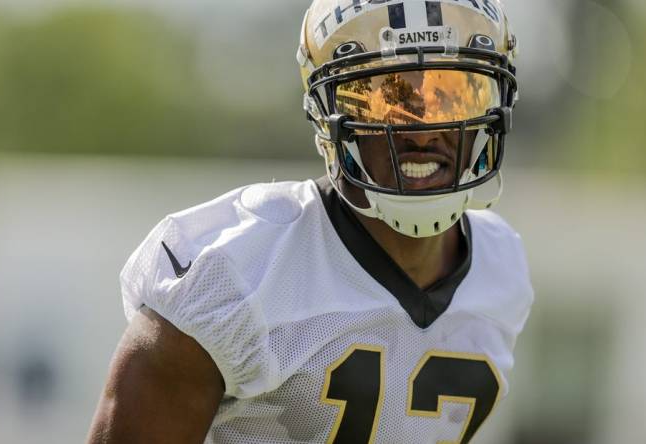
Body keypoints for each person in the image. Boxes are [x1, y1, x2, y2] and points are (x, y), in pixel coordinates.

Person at [86, 0, 533, 442]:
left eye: (450, 96)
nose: (420, 130)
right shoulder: (236, 272)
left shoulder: (502, 267)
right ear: (328, 116)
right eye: (384, 99)